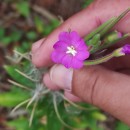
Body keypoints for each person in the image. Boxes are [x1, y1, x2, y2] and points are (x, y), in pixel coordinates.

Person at [31, 0, 130, 125]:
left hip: (80, 55)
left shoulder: (81, 51)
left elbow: (83, 55)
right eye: (71, 48)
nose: (71, 49)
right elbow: (66, 54)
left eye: (72, 48)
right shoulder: (68, 49)